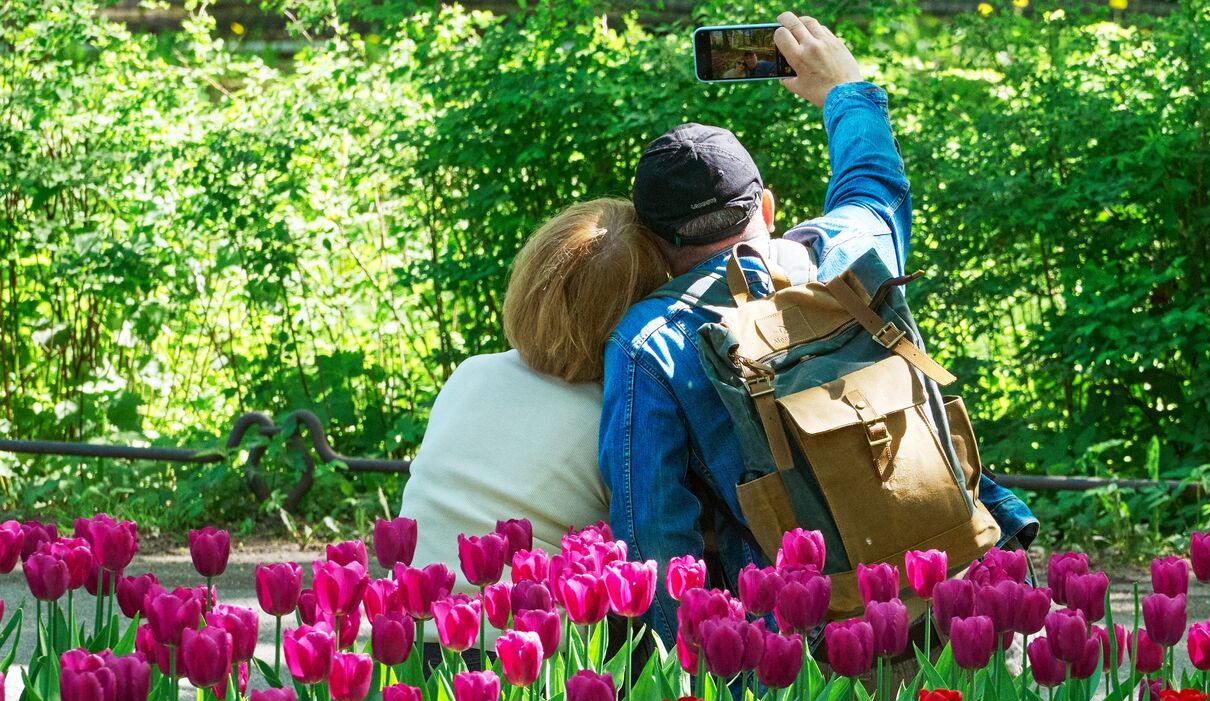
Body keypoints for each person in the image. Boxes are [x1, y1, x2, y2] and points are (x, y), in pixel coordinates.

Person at [600, 12, 1038, 651]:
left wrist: (679, 700)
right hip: (957, 596)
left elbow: (656, 541)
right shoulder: (851, 254)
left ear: (654, 246)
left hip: (806, 647)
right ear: (768, 208)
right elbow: (874, 181)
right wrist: (845, 90)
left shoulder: (648, 342)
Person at [401, 198, 669, 658]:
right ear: (640, 314)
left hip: (411, 641)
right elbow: (650, 544)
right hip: (531, 661)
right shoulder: (618, 416)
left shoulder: (471, 373)